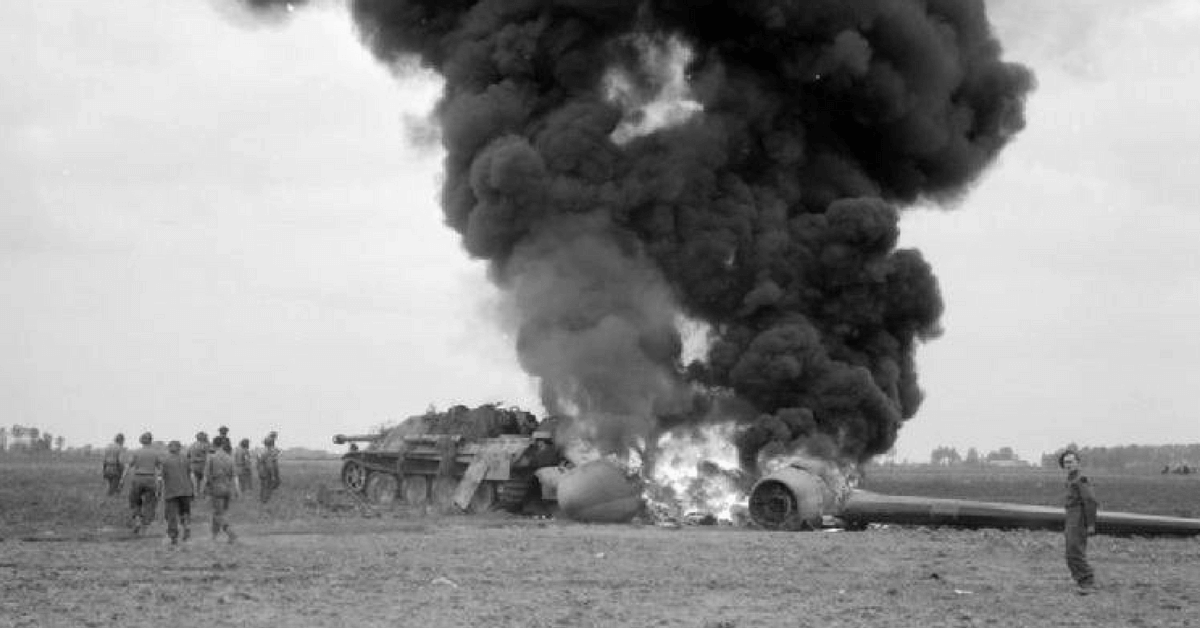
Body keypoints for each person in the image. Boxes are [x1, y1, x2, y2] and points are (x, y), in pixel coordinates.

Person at [1059, 449, 1099, 594]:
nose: (1068, 465)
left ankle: (1088, 582)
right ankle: (1082, 581)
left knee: (1075, 551)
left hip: (1079, 517)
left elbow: (1091, 501)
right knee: (1070, 551)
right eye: (1065, 463)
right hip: (1071, 517)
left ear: (1078, 462)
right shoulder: (1071, 479)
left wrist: (1090, 524)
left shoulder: (1081, 479)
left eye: (1070, 462)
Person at [118, 432, 161, 534]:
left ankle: (137, 519)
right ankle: (145, 526)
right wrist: (159, 482)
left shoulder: (136, 453)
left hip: (138, 479)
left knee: (135, 501)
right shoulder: (155, 453)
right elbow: (160, 470)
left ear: (141, 441)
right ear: (151, 440)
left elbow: (128, 467)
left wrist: (122, 480)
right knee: (150, 503)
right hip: (150, 479)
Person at [198, 436, 239, 543]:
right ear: (223, 445)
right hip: (228, 489)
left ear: (214, 444)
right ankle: (214, 537)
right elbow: (235, 477)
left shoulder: (211, 457)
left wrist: (201, 490)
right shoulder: (230, 458)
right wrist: (238, 491)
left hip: (217, 489)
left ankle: (230, 533)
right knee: (220, 513)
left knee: (217, 514)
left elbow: (205, 477)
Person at [159, 440, 194, 547]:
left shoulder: (165, 461)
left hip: (171, 492)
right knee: (185, 512)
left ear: (169, 448)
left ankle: (173, 537)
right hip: (186, 491)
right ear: (179, 448)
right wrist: (193, 490)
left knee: (172, 515)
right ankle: (186, 527)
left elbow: (161, 478)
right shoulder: (186, 460)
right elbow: (191, 476)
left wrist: (159, 491)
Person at [255, 432, 281, 504]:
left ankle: (262, 500)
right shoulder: (269, 452)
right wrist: (273, 475)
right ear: (271, 444)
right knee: (269, 485)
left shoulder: (260, 451)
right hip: (267, 472)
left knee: (263, 486)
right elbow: (269, 465)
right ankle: (265, 501)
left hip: (261, 472)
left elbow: (257, 464)